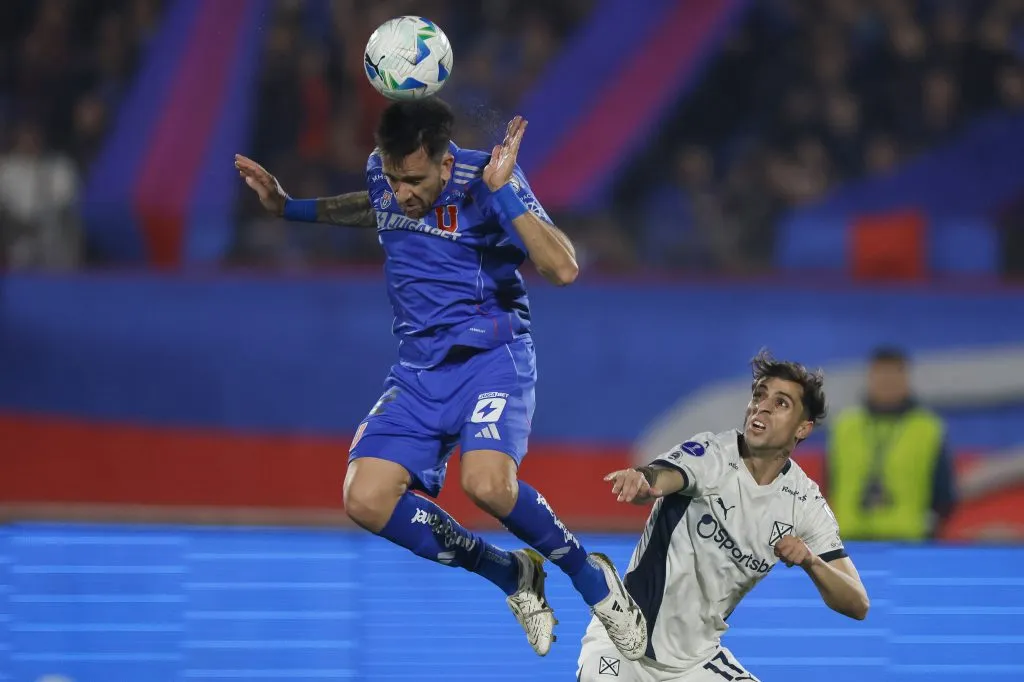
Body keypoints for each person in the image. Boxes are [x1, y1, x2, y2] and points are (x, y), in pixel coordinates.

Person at [234, 98, 647, 660]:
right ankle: (511, 573)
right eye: (395, 176)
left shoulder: (488, 177)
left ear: (446, 164)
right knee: (366, 498)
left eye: (415, 179)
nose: (402, 191)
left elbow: (564, 269)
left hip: (492, 359)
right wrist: (289, 208)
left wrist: (503, 190)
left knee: (487, 486)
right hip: (418, 371)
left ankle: (591, 578)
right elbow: (377, 207)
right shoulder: (385, 175)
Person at [579, 351, 869, 681]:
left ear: (803, 428)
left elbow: (857, 603)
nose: (763, 406)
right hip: (622, 645)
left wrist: (810, 561)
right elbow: (660, 478)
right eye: (759, 395)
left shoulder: (805, 502)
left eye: (781, 403)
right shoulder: (712, 453)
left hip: (694, 664)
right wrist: (642, 480)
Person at [826, 346, 955, 540]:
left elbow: (944, 495)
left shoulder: (928, 428)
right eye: (880, 374)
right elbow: (830, 483)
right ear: (869, 377)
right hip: (850, 541)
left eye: (894, 374)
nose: (887, 382)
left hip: (907, 541)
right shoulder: (845, 425)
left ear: (906, 379)